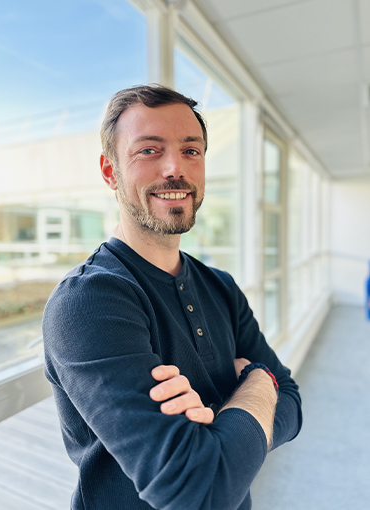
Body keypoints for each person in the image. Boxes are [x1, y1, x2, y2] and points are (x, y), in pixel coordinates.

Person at [42, 84, 301, 509]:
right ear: (110, 173)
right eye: (149, 150)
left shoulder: (221, 286)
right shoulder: (89, 301)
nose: (174, 169)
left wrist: (222, 430)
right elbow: (199, 491)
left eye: (191, 151)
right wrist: (259, 384)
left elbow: (295, 405)